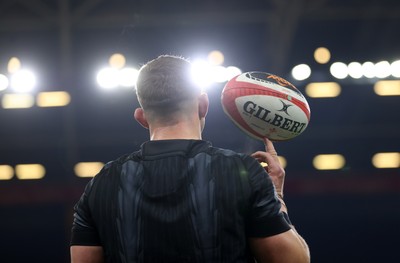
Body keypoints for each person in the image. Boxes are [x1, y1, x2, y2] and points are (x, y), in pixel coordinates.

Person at [70, 55, 310, 263]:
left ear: (141, 117)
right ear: (203, 105)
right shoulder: (243, 172)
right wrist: (277, 197)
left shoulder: (101, 184)